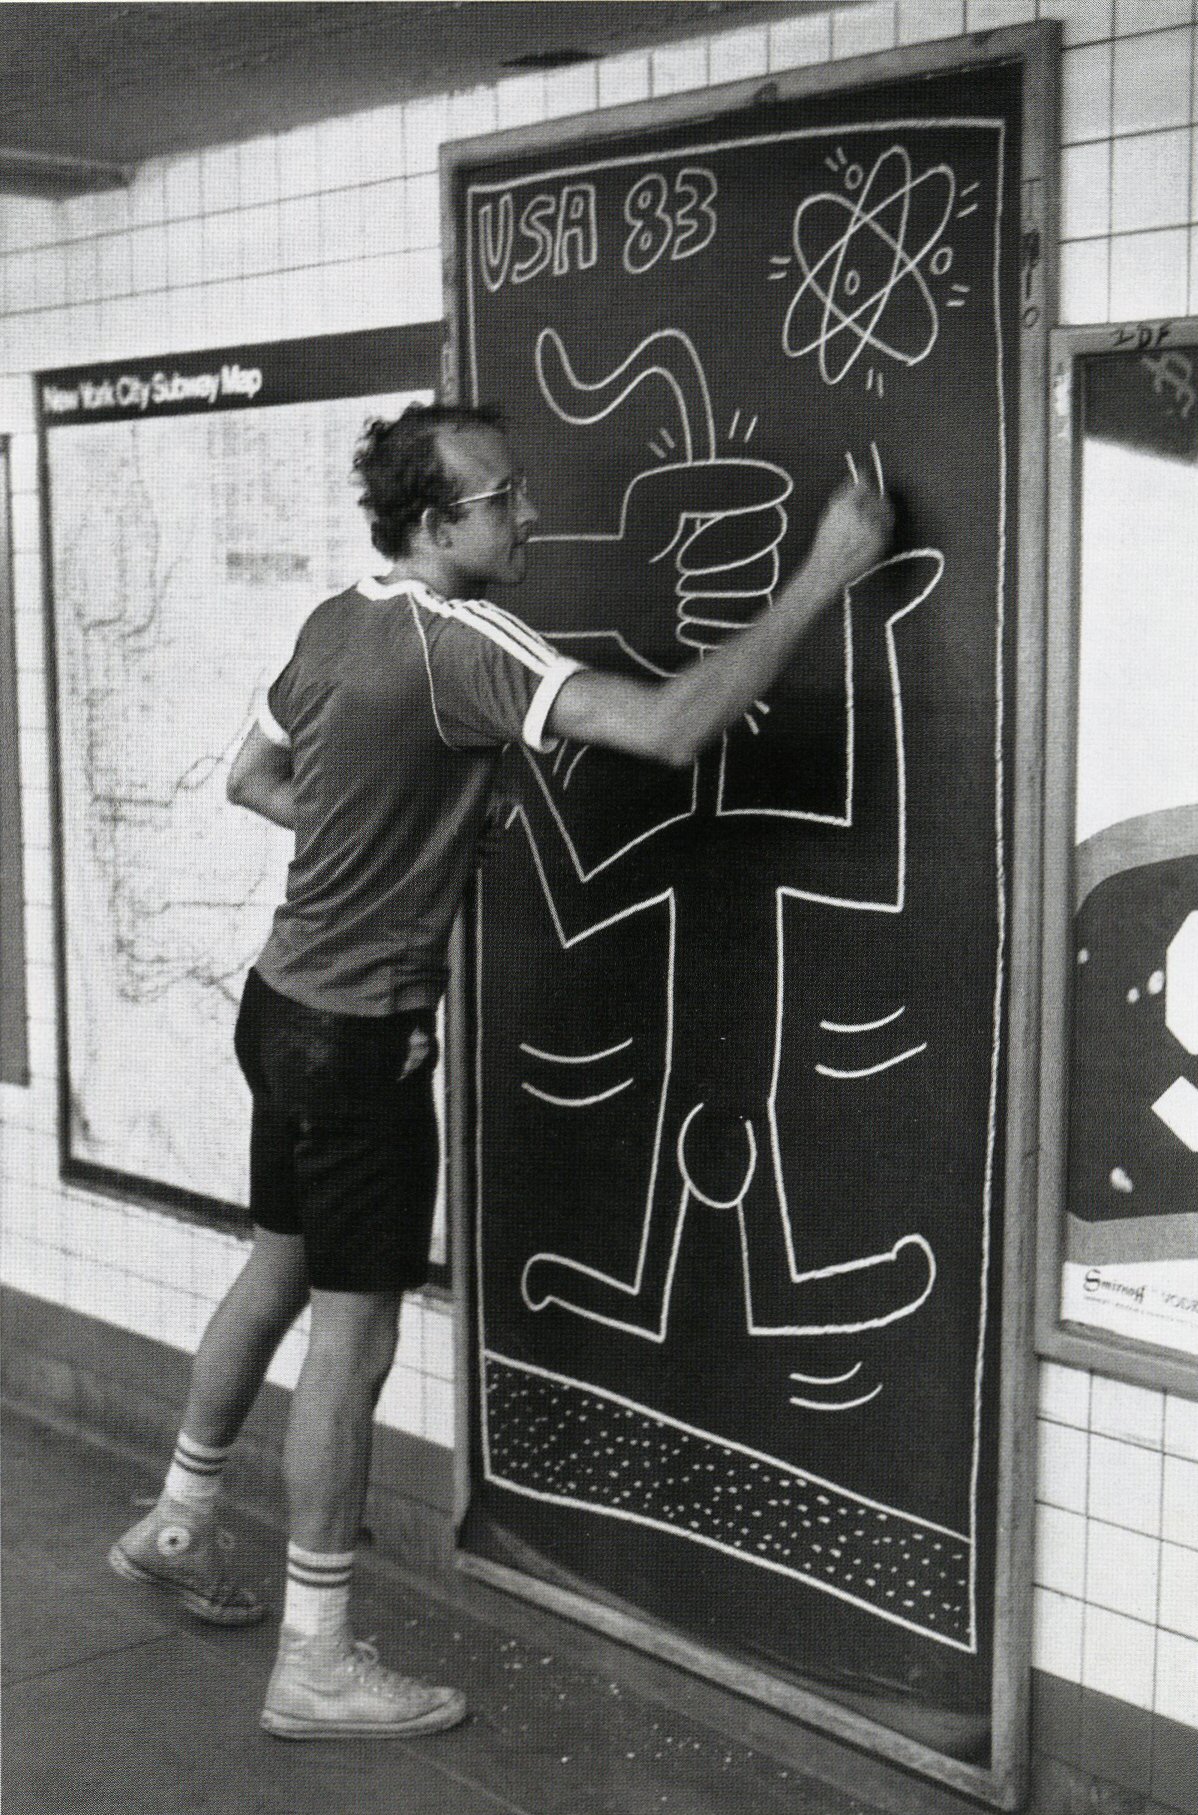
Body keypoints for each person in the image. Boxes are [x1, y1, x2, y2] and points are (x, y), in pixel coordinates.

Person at [109, 402, 892, 1742]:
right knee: (351, 1345)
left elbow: (255, 776)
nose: (528, 517)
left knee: (277, 1268)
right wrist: (827, 566)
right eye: (503, 501)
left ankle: (178, 1522)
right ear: (434, 524)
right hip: (357, 1041)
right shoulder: (466, 643)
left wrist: (392, 842)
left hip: (279, 1006)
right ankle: (315, 1660)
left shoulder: (331, 623)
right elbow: (667, 728)